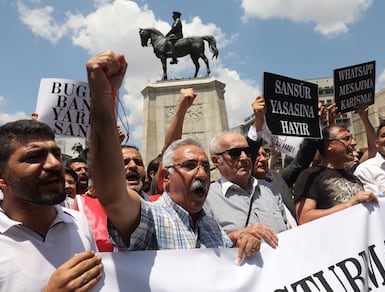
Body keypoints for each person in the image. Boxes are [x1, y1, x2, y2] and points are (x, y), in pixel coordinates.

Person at [87, 50, 261, 263]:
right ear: (165, 177)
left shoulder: (210, 225)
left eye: (206, 166)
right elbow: (113, 196)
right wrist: (104, 99)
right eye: (189, 165)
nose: (202, 173)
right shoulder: (150, 218)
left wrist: (241, 238)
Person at [0, 119, 102, 291]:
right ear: (2, 177)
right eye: (34, 157)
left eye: (57, 155)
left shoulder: (79, 223)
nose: (55, 164)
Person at [204, 131, 285, 247]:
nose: (244, 157)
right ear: (216, 160)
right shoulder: (207, 199)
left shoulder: (270, 190)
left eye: (247, 151)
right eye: (235, 153)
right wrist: (237, 236)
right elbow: (206, 248)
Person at [294, 125, 379, 225]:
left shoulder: (353, 177)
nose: (353, 143)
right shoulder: (310, 176)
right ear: (328, 146)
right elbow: (304, 218)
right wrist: (348, 205)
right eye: (346, 139)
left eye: (352, 138)